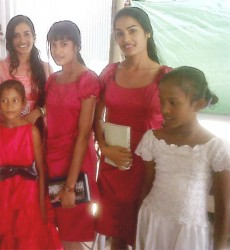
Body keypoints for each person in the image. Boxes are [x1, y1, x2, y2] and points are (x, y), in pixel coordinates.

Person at [93, 7, 171, 249]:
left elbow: (176, 125)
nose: (126, 39)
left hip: (149, 168)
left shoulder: (165, 78)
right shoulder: (109, 73)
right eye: (119, 33)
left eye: (132, 31)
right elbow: (97, 119)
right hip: (115, 164)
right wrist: (104, 148)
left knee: (145, 234)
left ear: (147, 33)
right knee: (116, 236)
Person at [135, 66, 230, 250]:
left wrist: (219, 246)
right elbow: (146, 184)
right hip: (153, 219)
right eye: (161, 101)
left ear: (198, 104)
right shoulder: (152, 139)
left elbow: (224, 205)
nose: (165, 109)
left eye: (173, 102)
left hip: (188, 231)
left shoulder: (216, 148)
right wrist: (139, 224)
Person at [45, 20, 100, 249]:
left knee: (73, 229)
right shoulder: (52, 79)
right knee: (58, 227)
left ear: (76, 46)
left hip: (76, 164)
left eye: (64, 44)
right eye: (53, 44)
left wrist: (69, 187)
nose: (58, 50)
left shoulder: (88, 80)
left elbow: (83, 134)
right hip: (53, 161)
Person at [0, 80, 61, 249]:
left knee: (29, 239)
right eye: (4, 101)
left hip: (29, 195)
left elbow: (41, 170)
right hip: (5, 194)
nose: (9, 106)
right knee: (9, 238)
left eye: (14, 100)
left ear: (23, 103)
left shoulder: (31, 131)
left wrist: (42, 205)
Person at [0, 15, 52, 128]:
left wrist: (38, 112)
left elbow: (55, 103)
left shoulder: (46, 69)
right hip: (8, 137)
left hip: (38, 135)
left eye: (26, 34)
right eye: (16, 36)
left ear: (34, 37)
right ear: (10, 40)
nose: (22, 40)